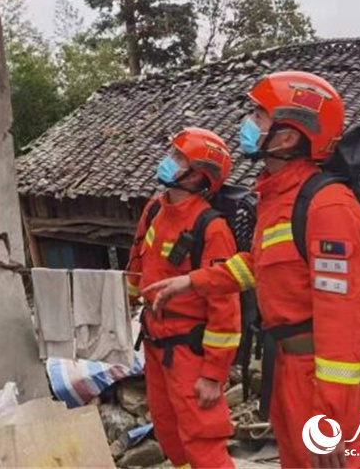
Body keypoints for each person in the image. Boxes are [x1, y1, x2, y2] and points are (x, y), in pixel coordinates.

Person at [143, 72, 360, 469]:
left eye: (259, 115)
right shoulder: (277, 197)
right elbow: (259, 265)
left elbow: (345, 319)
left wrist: (332, 415)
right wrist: (192, 281)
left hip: (322, 379)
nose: (249, 123)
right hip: (288, 367)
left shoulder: (327, 207)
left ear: (288, 135)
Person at [127, 127, 240, 469]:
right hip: (155, 343)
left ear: (197, 176)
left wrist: (213, 373)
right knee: (169, 432)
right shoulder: (154, 211)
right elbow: (136, 263)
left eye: (179, 158)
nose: (168, 161)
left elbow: (226, 305)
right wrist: (125, 301)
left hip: (188, 350)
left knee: (203, 441)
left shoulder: (211, 228)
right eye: (172, 153)